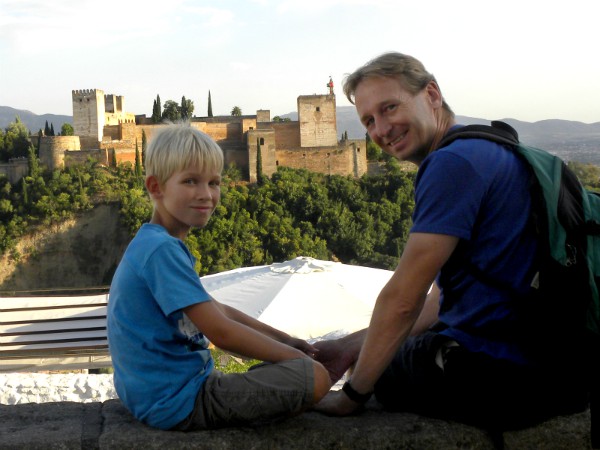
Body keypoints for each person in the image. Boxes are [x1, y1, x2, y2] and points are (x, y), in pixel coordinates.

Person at [313, 52, 588, 429]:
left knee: (379, 369)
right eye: (369, 121)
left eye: (389, 108)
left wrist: (352, 396)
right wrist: (348, 347)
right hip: (557, 368)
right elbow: (439, 302)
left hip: (507, 376)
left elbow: (403, 301)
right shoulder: (490, 146)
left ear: (432, 94)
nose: (380, 130)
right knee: (373, 355)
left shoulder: (451, 164)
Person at [107, 123, 331, 431]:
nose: (206, 194)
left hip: (161, 395)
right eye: (190, 181)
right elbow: (221, 333)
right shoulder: (161, 251)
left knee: (299, 370)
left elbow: (219, 311)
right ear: (156, 187)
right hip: (179, 401)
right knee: (316, 378)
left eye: (214, 182)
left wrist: (286, 340)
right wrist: (301, 362)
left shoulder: (156, 243)